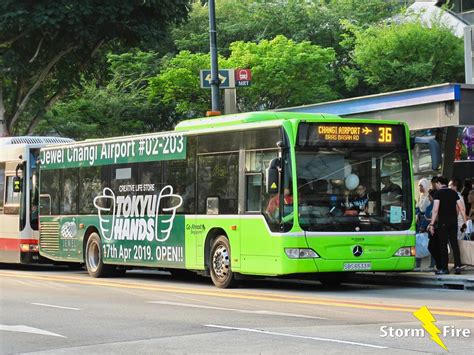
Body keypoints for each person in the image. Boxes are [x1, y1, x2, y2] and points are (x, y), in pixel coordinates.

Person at [428, 176, 468, 275]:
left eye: (436, 184)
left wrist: (432, 223)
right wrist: (464, 221)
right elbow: (462, 208)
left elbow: (436, 209)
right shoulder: (454, 193)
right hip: (453, 222)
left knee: (443, 245)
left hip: (443, 223)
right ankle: (458, 266)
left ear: (439, 183)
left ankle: (445, 269)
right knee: (454, 244)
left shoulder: (438, 194)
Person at [415, 189, 436, 271]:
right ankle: (432, 265)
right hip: (430, 229)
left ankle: (418, 266)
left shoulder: (430, 207)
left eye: (429, 196)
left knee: (419, 245)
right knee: (431, 247)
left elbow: (426, 218)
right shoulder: (433, 205)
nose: (428, 198)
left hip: (427, 229)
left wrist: (422, 227)